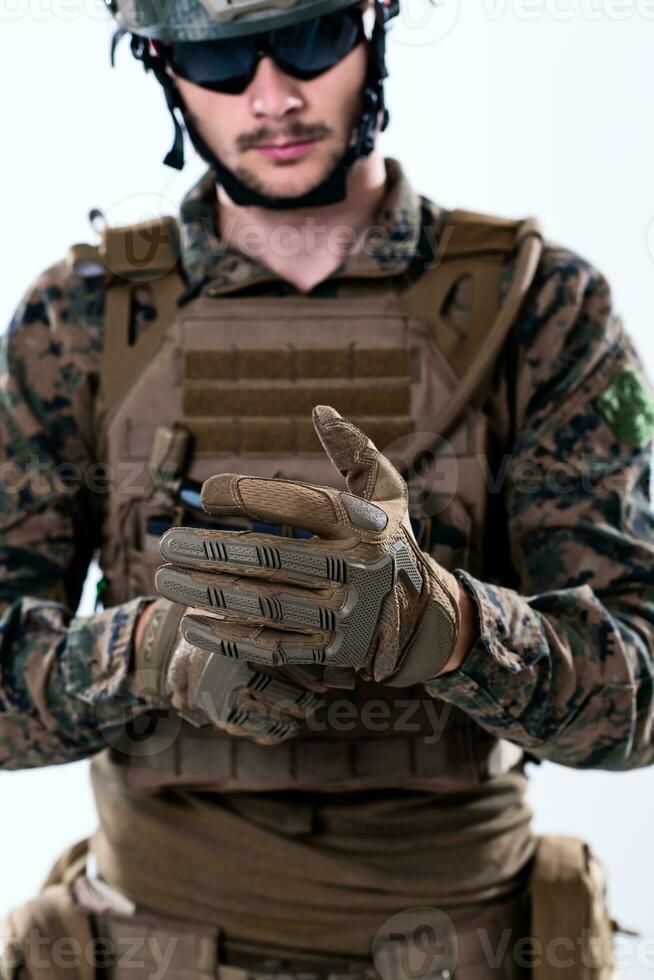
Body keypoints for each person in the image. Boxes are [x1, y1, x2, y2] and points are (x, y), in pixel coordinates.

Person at [1, 0, 653, 976]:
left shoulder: (541, 308)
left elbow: (641, 692)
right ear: (160, 63)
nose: (273, 96)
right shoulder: (83, 318)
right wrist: (149, 649)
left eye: (309, 39)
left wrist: (449, 628)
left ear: (372, 28)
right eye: (221, 59)